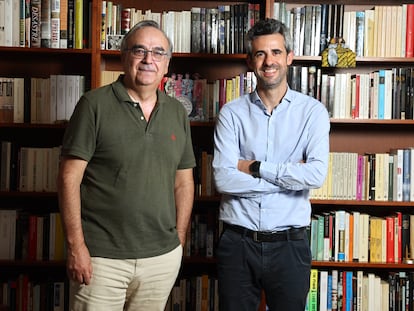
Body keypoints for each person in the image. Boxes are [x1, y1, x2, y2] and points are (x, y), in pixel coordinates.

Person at [57, 20, 196, 311]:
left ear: (167, 65)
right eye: (140, 50)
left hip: (161, 258)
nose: (149, 59)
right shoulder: (93, 105)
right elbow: (69, 179)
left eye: (158, 52)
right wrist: (76, 246)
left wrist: (179, 239)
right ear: (123, 57)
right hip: (101, 258)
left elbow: (183, 182)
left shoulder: (176, 113)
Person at [212, 18, 330, 311]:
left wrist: (255, 167)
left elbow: (315, 174)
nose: (269, 61)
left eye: (276, 52)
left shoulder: (312, 113)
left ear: (289, 57)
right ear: (250, 61)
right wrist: (289, 179)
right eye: (261, 54)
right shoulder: (231, 114)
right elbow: (223, 180)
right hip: (238, 243)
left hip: (290, 246)